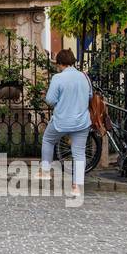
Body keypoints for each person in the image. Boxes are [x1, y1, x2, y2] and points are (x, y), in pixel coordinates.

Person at [38, 48, 92, 196]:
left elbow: (50, 99)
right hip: (81, 121)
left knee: (48, 140)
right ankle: (77, 187)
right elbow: (90, 95)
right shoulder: (84, 77)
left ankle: (46, 171)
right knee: (79, 153)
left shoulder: (58, 78)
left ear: (60, 63)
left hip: (62, 120)